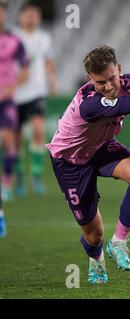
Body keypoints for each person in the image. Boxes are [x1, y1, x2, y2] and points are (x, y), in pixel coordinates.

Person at [46, 45, 130, 284]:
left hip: (100, 148)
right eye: (100, 82)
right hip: (70, 162)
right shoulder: (89, 103)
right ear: (89, 79)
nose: (108, 87)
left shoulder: (129, 83)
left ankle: (118, 243)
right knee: (94, 235)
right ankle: (96, 261)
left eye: (112, 78)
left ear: (120, 70)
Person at [14, 2, 58, 197]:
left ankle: (36, 174)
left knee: (38, 130)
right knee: (16, 139)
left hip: (36, 91)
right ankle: (19, 175)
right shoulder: (12, 37)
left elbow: (48, 61)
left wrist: (52, 79)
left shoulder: (44, 38)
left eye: (35, 14)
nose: (32, 17)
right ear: (21, 16)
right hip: (15, 92)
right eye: (28, 14)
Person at [0, 0, 30, 203]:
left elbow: (25, 71)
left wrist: (10, 88)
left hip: (6, 100)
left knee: (8, 140)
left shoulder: (14, 41)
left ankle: (7, 183)